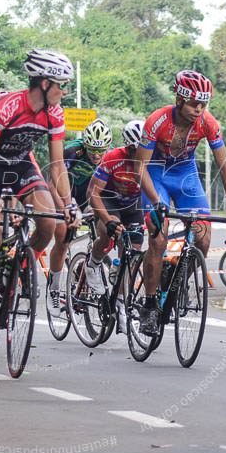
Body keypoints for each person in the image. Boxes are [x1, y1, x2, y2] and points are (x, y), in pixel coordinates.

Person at [0, 48, 80, 351]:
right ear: (44, 83)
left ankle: (23, 262)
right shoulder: (6, 107)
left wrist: (69, 204)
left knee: (48, 221)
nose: (64, 91)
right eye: (61, 85)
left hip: (22, 166)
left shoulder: (54, 113)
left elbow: (57, 165)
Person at [134, 70, 226, 336]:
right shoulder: (157, 121)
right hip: (155, 173)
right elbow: (139, 167)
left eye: (204, 104)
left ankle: (177, 279)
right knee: (158, 239)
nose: (199, 109)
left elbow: (225, 166)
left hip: (185, 174)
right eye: (195, 103)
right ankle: (149, 305)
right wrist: (155, 202)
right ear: (179, 98)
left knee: (204, 236)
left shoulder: (208, 123)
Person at [83, 120, 146, 333]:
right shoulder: (112, 158)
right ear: (127, 146)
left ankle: (120, 301)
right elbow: (92, 193)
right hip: (109, 199)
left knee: (133, 250)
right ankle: (93, 262)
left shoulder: (151, 160)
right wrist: (108, 220)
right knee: (108, 232)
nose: (139, 153)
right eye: (134, 150)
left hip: (133, 204)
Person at [46, 118, 113, 315]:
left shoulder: (110, 156)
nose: (97, 155)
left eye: (101, 150)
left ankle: (84, 268)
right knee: (63, 236)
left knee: (105, 231)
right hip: (66, 193)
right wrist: (63, 209)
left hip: (88, 197)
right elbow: (52, 183)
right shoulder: (73, 151)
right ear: (85, 145)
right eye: (92, 150)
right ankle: (54, 288)